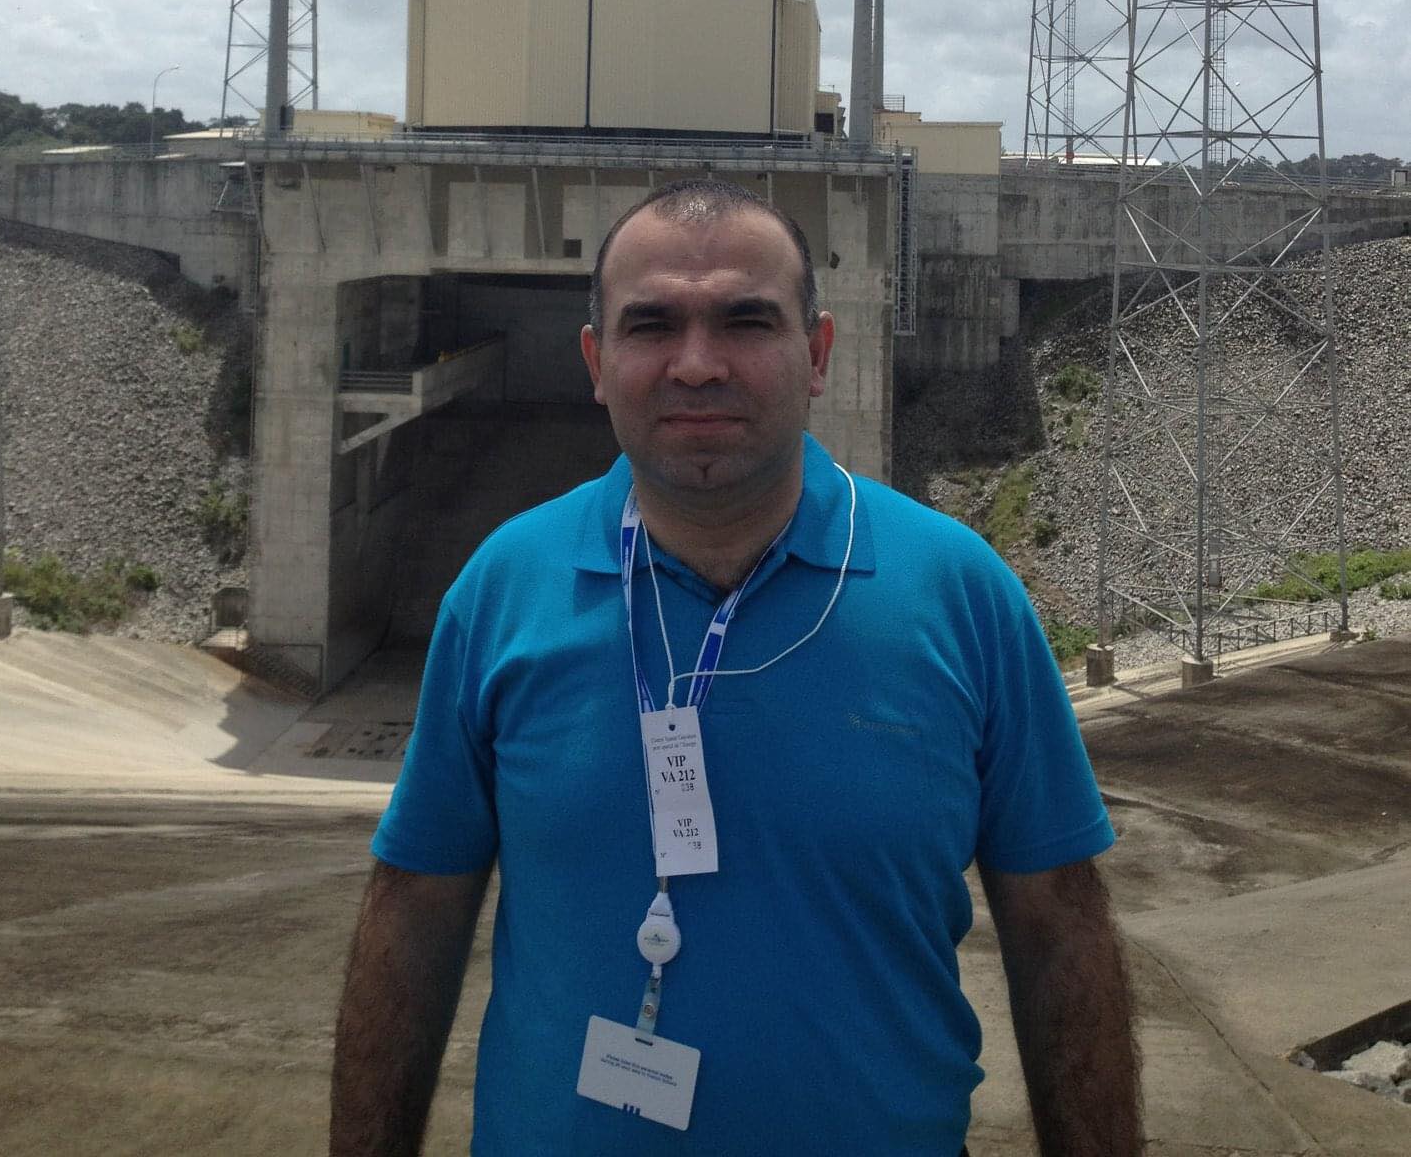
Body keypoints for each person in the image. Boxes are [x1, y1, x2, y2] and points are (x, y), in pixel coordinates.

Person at [332, 179, 1142, 1156]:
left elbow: (1062, 927)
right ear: (597, 361)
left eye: (746, 322)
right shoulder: (504, 590)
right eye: (652, 325)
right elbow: (413, 910)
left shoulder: (962, 596)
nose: (698, 364)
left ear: (818, 354)